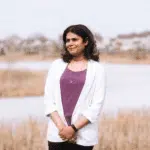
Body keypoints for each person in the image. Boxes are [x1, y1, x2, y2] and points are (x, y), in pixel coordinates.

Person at [44, 24, 106, 150]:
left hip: (83, 136)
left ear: (86, 42)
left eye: (74, 39)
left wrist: (73, 129)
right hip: (58, 134)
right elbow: (49, 99)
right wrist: (63, 129)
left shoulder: (97, 69)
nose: (70, 43)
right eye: (67, 40)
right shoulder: (56, 65)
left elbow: (96, 105)